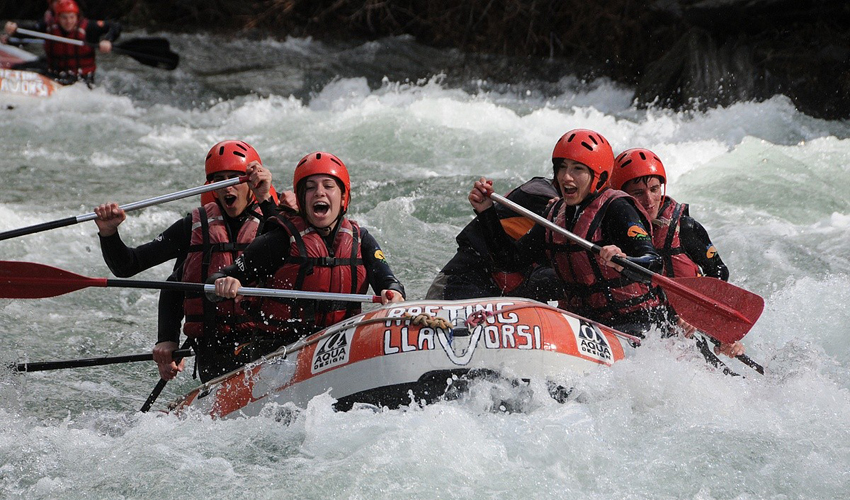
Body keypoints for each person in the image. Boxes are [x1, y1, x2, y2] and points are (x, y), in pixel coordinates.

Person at [94, 140, 295, 382]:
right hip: (214, 353)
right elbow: (130, 266)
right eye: (220, 179)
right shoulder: (194, 226)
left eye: (234, 178)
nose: (228, 188)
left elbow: (295, 252)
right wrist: (109, 233)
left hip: (269, 345)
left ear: (250, 182)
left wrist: (268, 200)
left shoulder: (275, 222)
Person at [468, 128, 669, 336]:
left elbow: (653, 263)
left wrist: (623, 260)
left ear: (599, 176)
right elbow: (509, 261)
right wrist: (486, 212)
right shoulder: (556, 214)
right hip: (588, 327)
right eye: (562, 167)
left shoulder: (617, 208)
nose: (566, 177)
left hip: (638, 326)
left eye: (577, 169)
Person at [209, 151, 406, 359]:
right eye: (310, 188)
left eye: (328, 186)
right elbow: (217, 279)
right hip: (281, 351)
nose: (319, 192)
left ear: (343, 198)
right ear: (302, 200)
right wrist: (225, 282)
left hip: (339, 346)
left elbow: (389, 281)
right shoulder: (280, 240)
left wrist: (392, 292)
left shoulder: (361, 239)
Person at [610, 148, 743, 358]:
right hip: (639, 328)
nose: (649, 200)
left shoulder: (685, 228)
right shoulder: (611, 231)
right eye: (638, 193)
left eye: (654, 189)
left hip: (686, 330)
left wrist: (699, 317)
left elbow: (718, 272)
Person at [426, 176, 563, 302]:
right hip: (460, 285)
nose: (569, 177)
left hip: (506, 299)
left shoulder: (575, 215)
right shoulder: (539, 195)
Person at [3, 0, 121, 85]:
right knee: (18, 67)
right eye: (64, 18)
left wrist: (107, 40)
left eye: (71, 17)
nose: (68, 21)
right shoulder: (49, 27)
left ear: (77, 16)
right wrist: (15, 29)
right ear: (58, 18)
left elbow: (115, 26)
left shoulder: (89, 27)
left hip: (81, 80)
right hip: (55, 74)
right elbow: (29, 31)